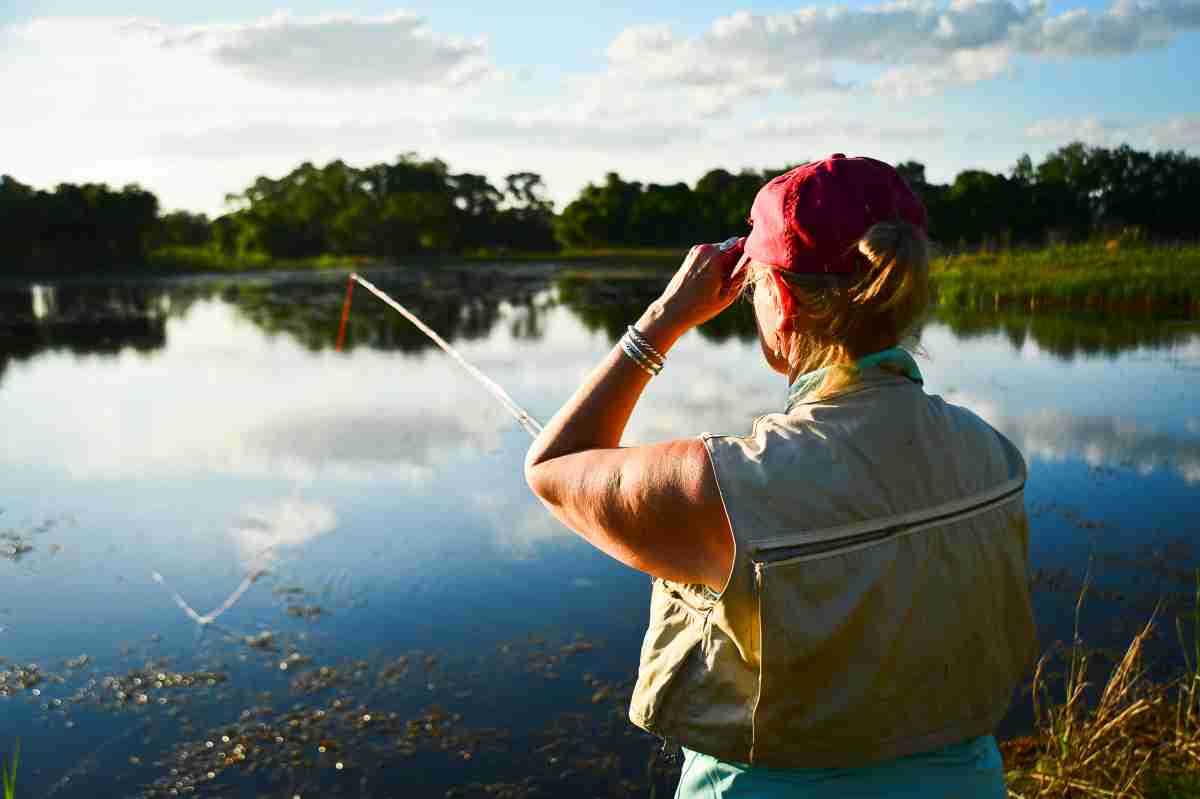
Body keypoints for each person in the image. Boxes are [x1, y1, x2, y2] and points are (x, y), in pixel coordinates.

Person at [524, 153, 1038, 798]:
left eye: (756, 286)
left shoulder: (727, 487)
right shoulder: (990, 454)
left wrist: (661, 320)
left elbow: (551, 467)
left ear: (784, 301)